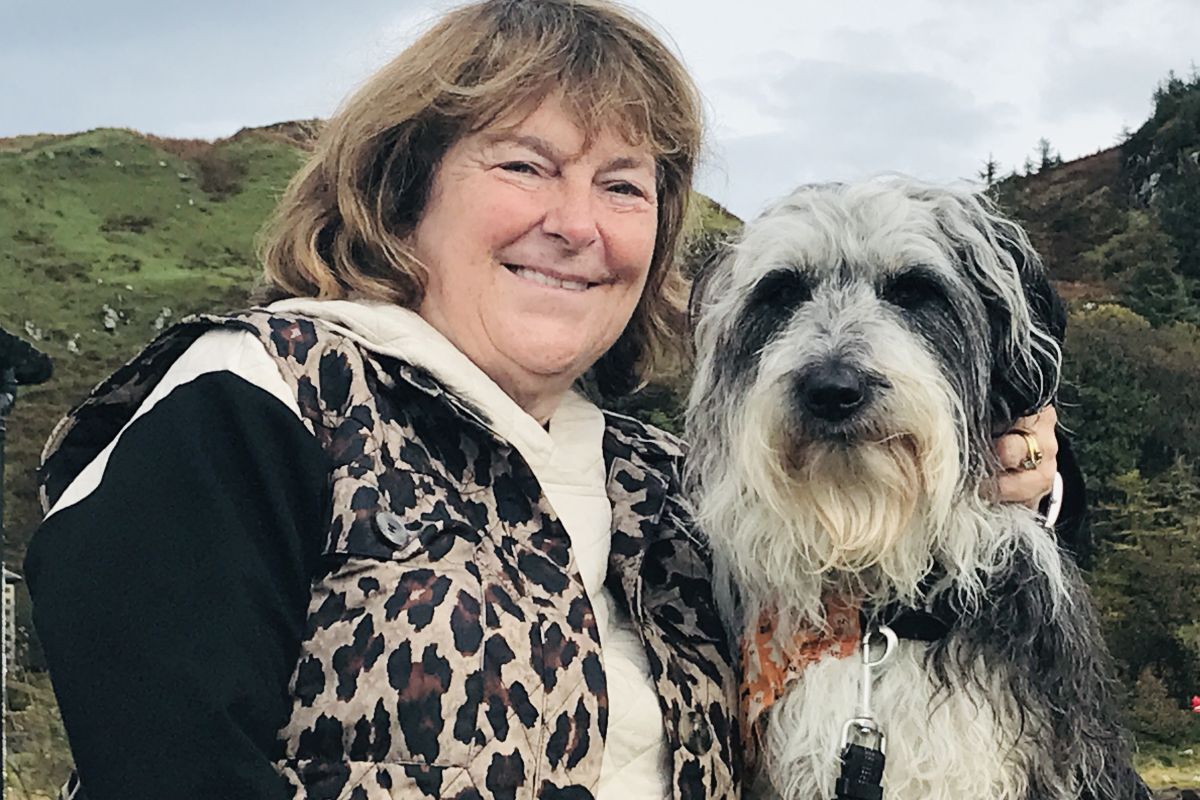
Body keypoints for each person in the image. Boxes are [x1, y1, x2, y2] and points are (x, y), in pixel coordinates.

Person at [23, 1, 1064, 798]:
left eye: (624, 184)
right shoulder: (264, 398)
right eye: (527, 164)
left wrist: (1023, 475)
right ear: (402, 191)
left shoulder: (667, 482)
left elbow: (897, 603)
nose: (578, 222)